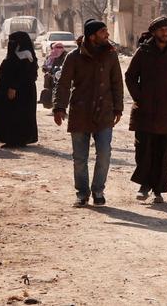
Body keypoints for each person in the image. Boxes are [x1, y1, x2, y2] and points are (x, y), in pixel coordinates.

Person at [53, 19, 123, 206]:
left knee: (104, 154)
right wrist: (59, 107)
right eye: (103, 32)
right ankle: (82, 193)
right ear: (92, 37)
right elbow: (63, 84)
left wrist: (118, 108)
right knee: (79, 157)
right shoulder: (74, 57)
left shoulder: (111, 56)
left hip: (104, 113)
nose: (107, 35)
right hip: (80, 112)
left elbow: (117, 83)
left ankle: (98, 190)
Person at [125, 16, 167, 204]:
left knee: (163, 152)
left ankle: (158, 190)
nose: (165, 33)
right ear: (154, 32)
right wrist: (139, 97)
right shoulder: (143, 51)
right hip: (144, 111)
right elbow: (130, 76)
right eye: (161, 30)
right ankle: (144, 185)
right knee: (143, 150)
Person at [0, 32, 39, 148]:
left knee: (17, 115)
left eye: (13, 42)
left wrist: (13, 87)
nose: (10, 44)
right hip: (18, 91)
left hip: (20, 92)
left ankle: (16, 140)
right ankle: (16, 138)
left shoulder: (24, 56)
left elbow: (22, 74)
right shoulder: (16, 55)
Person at [40, 42, 68, 109]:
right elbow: (45, 66)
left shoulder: (66, 56)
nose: (59, 49)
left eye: (60, 47)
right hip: (52, 76)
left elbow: (69, 65)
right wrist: (45, 68)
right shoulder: (50, 56)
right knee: (48, 81)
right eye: (57, 47)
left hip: (62, 75)